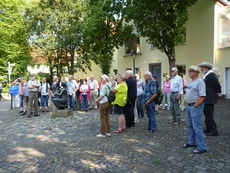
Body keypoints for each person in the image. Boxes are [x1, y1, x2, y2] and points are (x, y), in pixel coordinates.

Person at [183, 65, 207, 154]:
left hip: (195, 107)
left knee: (197, 127)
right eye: (189, 71)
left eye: (192, 71)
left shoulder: (200, 82)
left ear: (196, 72)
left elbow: (202, 96)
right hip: (189, 106)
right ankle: (191, 142)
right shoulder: (192, 82)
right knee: (190, 125)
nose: (189, 72)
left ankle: (202, 147)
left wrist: (195, 106)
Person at [198, 61, 221, 136]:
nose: (201, 69)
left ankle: (214, 130)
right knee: (207, 115)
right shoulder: (207, 75)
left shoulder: (211, 75)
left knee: (209, 115)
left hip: (210, 98)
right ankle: (209, 129)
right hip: (206, 98)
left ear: (207, 68)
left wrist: (219, 93)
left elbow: (217, 85)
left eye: (202, 67)